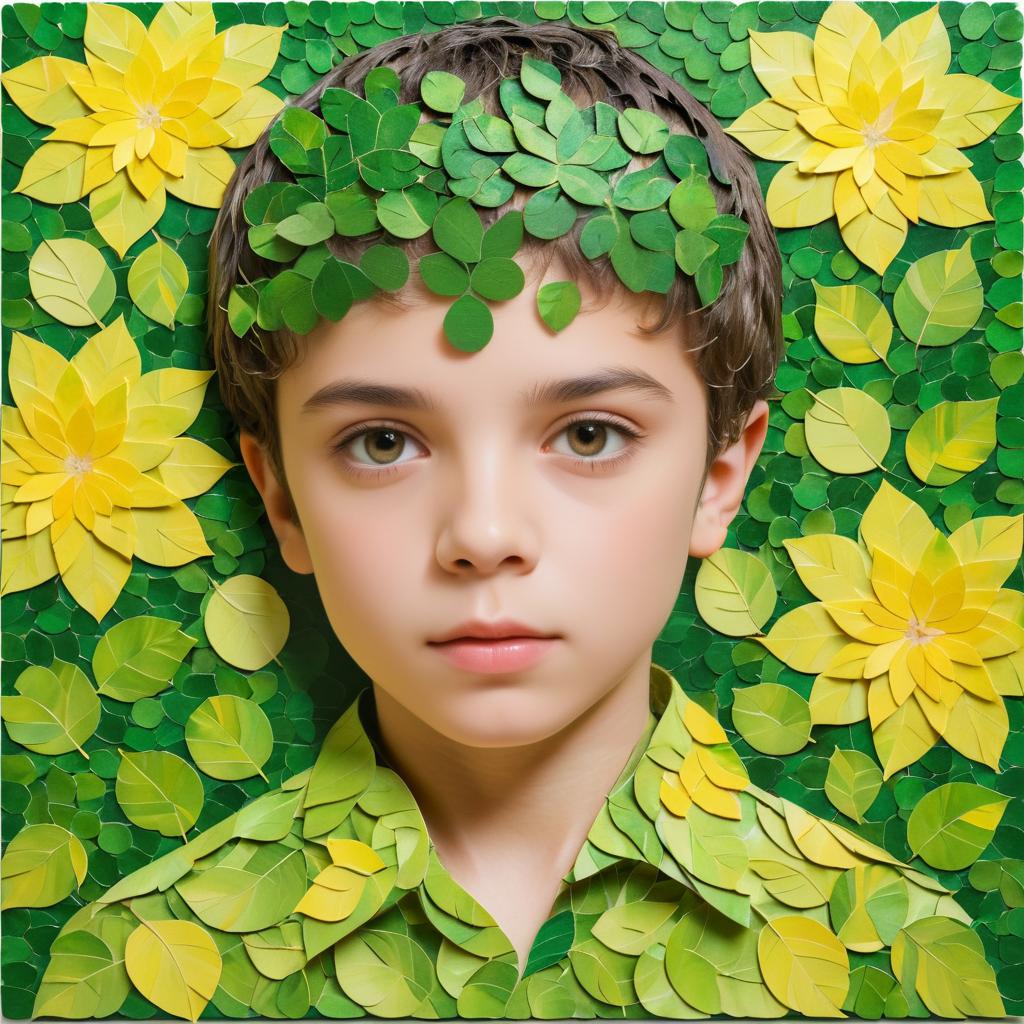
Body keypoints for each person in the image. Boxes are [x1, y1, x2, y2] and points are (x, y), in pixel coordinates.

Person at [33, 17, 998, 1023]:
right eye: (380, 442)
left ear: (719, 473)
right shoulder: (137, 965)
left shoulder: (894, 954)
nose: (484, 535)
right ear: (280, 499)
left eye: (587, 434)